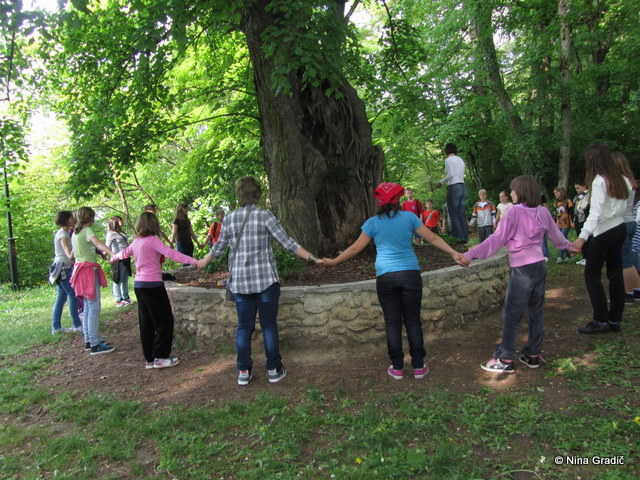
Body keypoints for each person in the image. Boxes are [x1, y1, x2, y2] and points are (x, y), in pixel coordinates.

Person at [321, 183, 468, 380]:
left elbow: (355, 248)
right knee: (413, 320)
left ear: (379, 201)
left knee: (392, 322)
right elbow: (432, 238)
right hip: (410, 274)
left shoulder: (372, 223)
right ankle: (418, 366)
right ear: (398, 199)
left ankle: (397, 366)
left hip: (386, 276)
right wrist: (454, 253)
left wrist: (333, 262)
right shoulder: (409, 218)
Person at [196, 176, 322, 386]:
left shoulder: (229, 219)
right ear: (257, 194)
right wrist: (313, 258)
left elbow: (218, 248)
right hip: (266, 282)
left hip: (239, 283)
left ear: (239, 194)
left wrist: (203, 261)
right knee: (269, 326)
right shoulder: (265, 216)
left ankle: (243, 371)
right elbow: (288, 243)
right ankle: (274, 369)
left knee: (244, 328)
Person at [464, 176, 575, 373]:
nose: (511, 193)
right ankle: (532, 354)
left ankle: (505, 359)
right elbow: (557, 237)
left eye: (513, 190)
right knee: (536, 311)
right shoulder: (542, 211)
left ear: (521, 191)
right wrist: (570, 246)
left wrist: (471, 254)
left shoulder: (514, 211)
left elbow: (497, 239)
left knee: (512, 313)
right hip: (539, 266)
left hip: (522, 269)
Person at [111, 212, 199, 369]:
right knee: (164, 321)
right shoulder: (153, 240)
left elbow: (124, 253)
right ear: (154, 225)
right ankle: (161, 357)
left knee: (147, 323)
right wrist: (194, 261)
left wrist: (113, 257)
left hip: (140, 286)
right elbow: (172, 254)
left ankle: (150, 358)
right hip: (153, 286)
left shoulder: (136, 241)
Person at [573, 142, 631, 334]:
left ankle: (601, 320)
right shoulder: (623, 179)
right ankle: (614, 319)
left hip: (605, 230)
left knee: (592, 274)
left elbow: (595, 213)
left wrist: (582, 237)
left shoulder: (600, 181)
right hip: (619, 227)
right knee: (615, 274)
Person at [70, 207, 116, 355]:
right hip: (88, 271)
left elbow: (71, 255)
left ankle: (89, 341)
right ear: (90, 218)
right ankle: (95, 345)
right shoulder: (86, 230)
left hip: (79, 270)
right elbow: (97, 242)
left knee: (88, 307)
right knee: (94, 307)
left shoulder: (75, 233)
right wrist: (112, 254)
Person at [611, 152, 640, 303]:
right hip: (629, 221)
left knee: (624, 261)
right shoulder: (629, 181)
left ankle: (627, 294)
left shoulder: (620, 182)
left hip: (622, 222)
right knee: (628, 259)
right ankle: (637, 290)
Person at [50, 210, 83, 335]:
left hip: (62, 267)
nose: (73, 219)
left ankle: (56, 327)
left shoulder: (64, 232)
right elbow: (68, 252)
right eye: (71, 217)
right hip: (62, 267)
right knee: (73, 295)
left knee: (61, 297)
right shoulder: (63, 234)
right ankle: (76, 324)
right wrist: (75, 250)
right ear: (66, 220)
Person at [435, 143, 468, 243]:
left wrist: (440, 182)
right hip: (462, 186)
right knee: (461, 214)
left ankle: (459, 237)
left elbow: (451, 175)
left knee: (453, 213)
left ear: (446, 150)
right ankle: (465, 237)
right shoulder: (460, 160)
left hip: (454, 187)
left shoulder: (448, 160)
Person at [105, 216, 134, 307]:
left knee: (125, 279)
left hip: (126, 258)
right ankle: (118, 299)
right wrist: (110, 256)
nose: (122, 221)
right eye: (119, 220)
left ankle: (125, 297)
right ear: (115, 222)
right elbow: (107, 246)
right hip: (117, 259)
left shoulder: (121, 232)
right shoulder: (111, 234)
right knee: (117, 279)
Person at [553, 187, 574, 264]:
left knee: (562, 238)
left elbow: (571, 212)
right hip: (559, 223)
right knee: (564, 239)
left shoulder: (567, 201)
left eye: (557, 192)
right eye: (555, 193)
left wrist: (572, 221)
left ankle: (560, 256)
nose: (555, 194)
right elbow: (556, 213)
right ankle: (568, 256)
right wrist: (555, 222)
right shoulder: (556, 202)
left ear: (561, 192)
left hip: (566, 223)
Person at [572, 181, 590, 265]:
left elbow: (584, 206)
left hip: (584, 218)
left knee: (586, 238)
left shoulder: (588, 195)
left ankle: (588, 257)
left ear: (584, 187)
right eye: (576, 188)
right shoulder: (578, 196)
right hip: (577, 218)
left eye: (578, 188)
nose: (577, 190)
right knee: (579, 236)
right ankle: (584, 256)